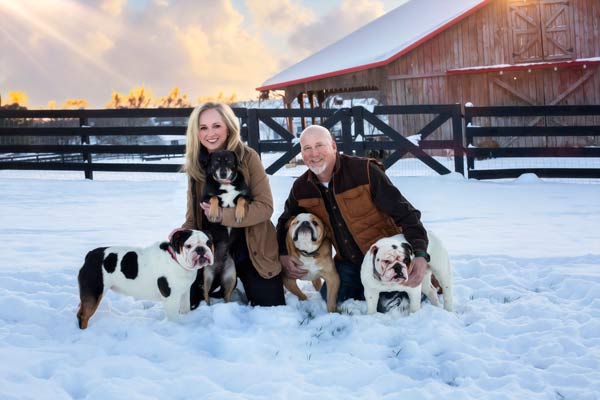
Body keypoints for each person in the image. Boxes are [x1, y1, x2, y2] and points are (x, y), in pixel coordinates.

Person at [276, 125, 430, 311]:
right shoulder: (301, 188)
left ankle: (410, 289)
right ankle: (366, 288)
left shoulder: (364, 172)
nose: (314, 153)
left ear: (333, 146)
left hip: (384, 259)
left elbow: (407, 214)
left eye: (319, 145)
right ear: (302, 153)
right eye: (307, 148)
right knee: (329, 298)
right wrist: (283, 254)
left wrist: (420, 255)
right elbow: (284, 222)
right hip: (349, 263)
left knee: (387, 305)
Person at [180, 102, 285, 307]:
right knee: (190, 302)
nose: (210, 133)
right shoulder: (197, 166)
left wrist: (223, 216)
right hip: (214, 246)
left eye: (216, 125)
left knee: (269, 306)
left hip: (252, 248)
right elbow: (193, 216)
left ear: (228, 127)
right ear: (197, 133)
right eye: (203, 127)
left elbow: (265, 207)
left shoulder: (248, 157)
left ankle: (242, 281)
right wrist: (181, 236)